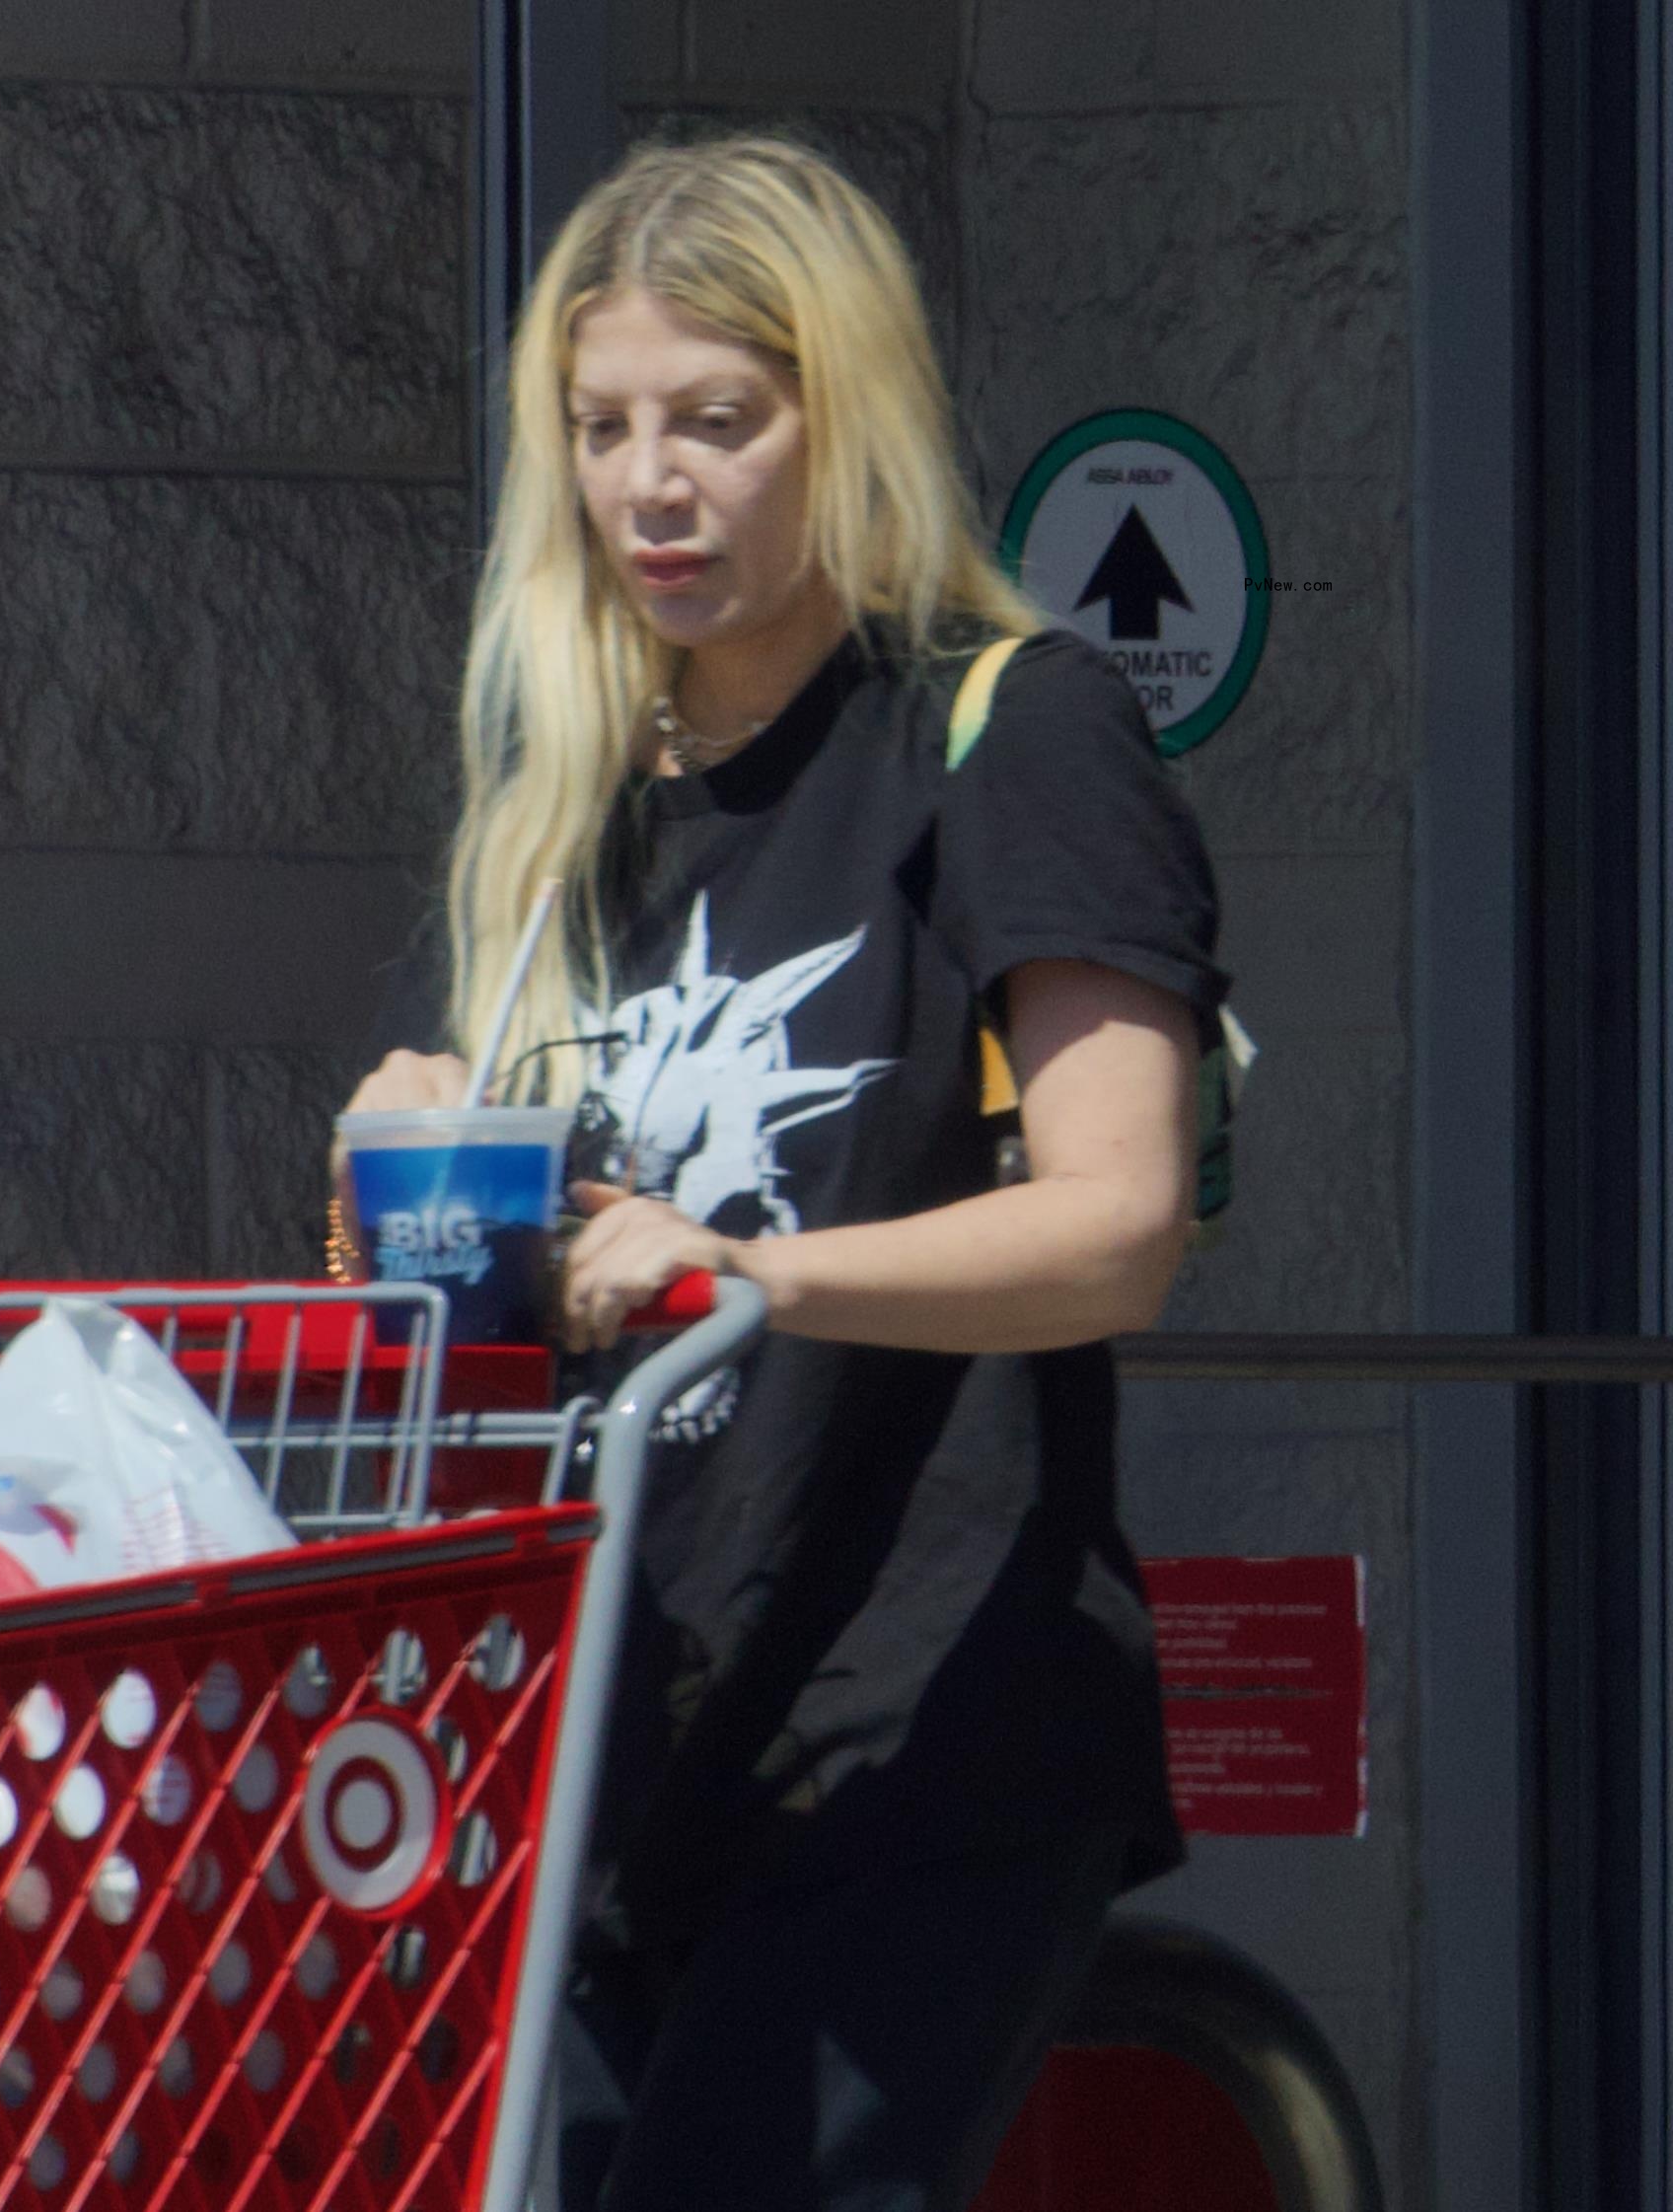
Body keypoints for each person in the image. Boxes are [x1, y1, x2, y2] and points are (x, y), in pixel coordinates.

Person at [344, 133, 1229, 2212]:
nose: (652, 483)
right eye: (604, 426)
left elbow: (1121, 1221)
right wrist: (400, 1181)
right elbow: (531, 1302)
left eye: (719, 421)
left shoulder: (1005, 731)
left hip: (917, 1723)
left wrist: (747, 1266)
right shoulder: (571, 801)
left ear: (847, 417)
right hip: (619, 1739)